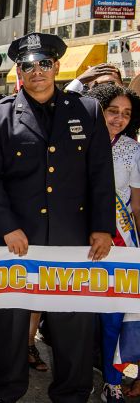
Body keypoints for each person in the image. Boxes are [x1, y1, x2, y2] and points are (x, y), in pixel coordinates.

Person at [0, 32, 115, 403]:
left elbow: (101, 174)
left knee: (73, 324)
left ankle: (71, 393)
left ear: (56, 67)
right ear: (19, 71)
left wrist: (102, 228)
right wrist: (7, 228)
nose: (37, 71)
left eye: (44, 64)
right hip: (18, 241)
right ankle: (5, 392)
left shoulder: (86, 110)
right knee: (11, 323)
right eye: (29, 66)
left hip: (74, 239)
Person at [86, 83, 140, 403]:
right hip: (77, 240)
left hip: (118, 242)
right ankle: (79, 378)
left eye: (126, 114)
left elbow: (136, 206)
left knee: (114, 316)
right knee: (78, 316)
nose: (119, 118)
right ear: (98, 109)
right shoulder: (77, 143)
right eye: (112, 111)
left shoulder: (132, 149)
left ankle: (112, 380)